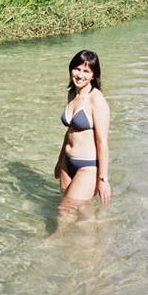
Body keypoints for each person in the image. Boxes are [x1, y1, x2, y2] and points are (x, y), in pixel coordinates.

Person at [54, 50, 111, 218]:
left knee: (65, 211)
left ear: (94, 75)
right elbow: (70, 132)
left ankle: (54, 241)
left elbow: (102, 142)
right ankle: (93, 242)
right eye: (77, 69)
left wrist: (102, 180)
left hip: (87, 166)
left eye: (86, 71)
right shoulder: (72, 94)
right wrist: (59, 162)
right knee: (82, 212)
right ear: (71, 69)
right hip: (67, 163)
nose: (80, 75)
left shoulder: (96, 99)